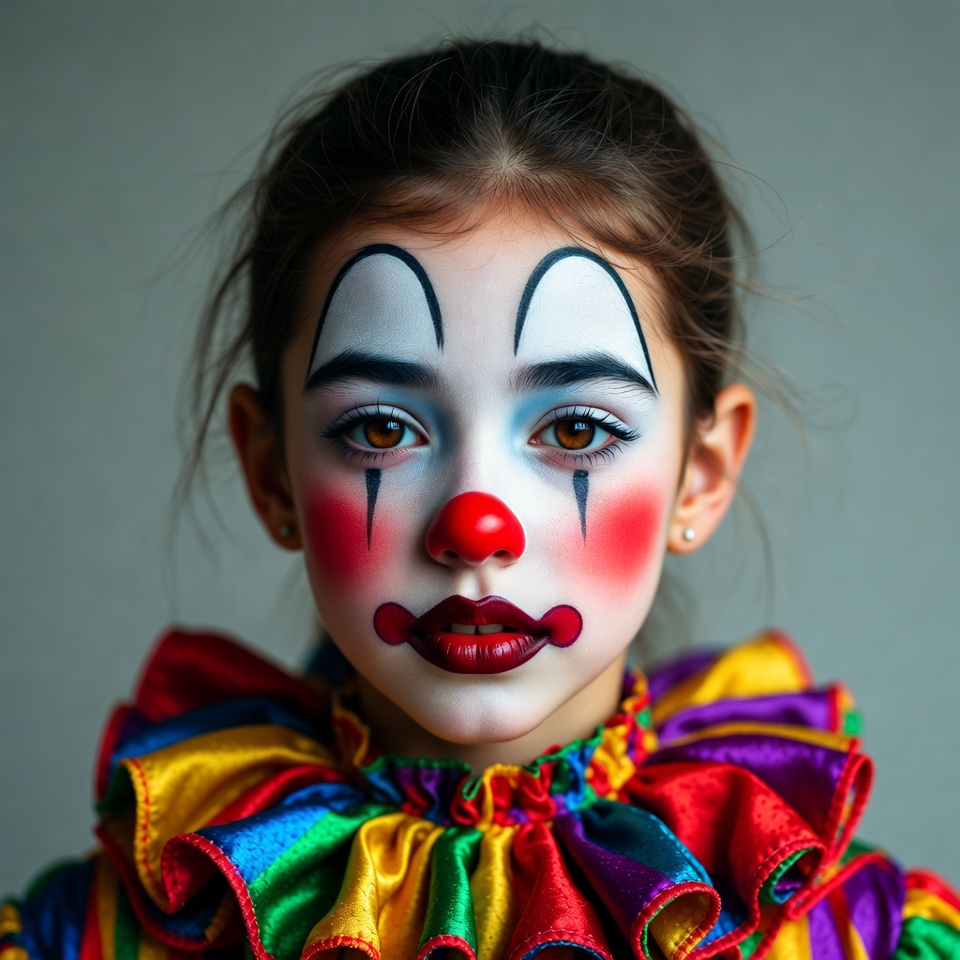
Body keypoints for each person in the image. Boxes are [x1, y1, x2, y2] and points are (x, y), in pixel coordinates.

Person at [3, 38, 957, 960]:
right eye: (381, 429)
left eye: (577, 430)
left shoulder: (855, 938)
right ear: (270, 470)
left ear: (698, 477)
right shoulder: (88, 937)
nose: (475, 530)